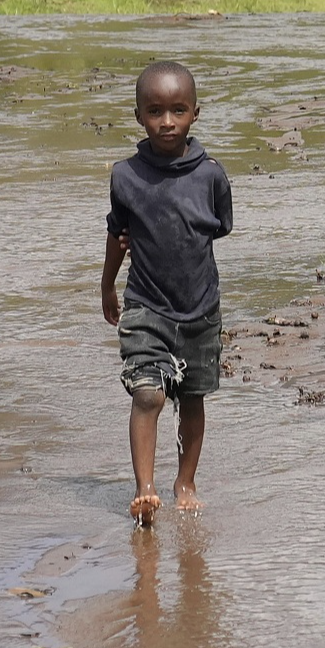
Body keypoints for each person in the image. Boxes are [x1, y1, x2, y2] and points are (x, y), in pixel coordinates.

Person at [99, 59, 231, 529]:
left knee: (192, 399)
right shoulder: (125, 177)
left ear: (196, 112)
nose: (167, 121)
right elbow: (118, 238)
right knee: (149, 394)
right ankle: (145, 491)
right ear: (139, 116)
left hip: (200, 309)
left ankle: (186, 484)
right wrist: (107, 284)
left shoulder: (212, 175)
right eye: (155, 111)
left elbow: (217, 230)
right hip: (146, 306)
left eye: (178, 110)